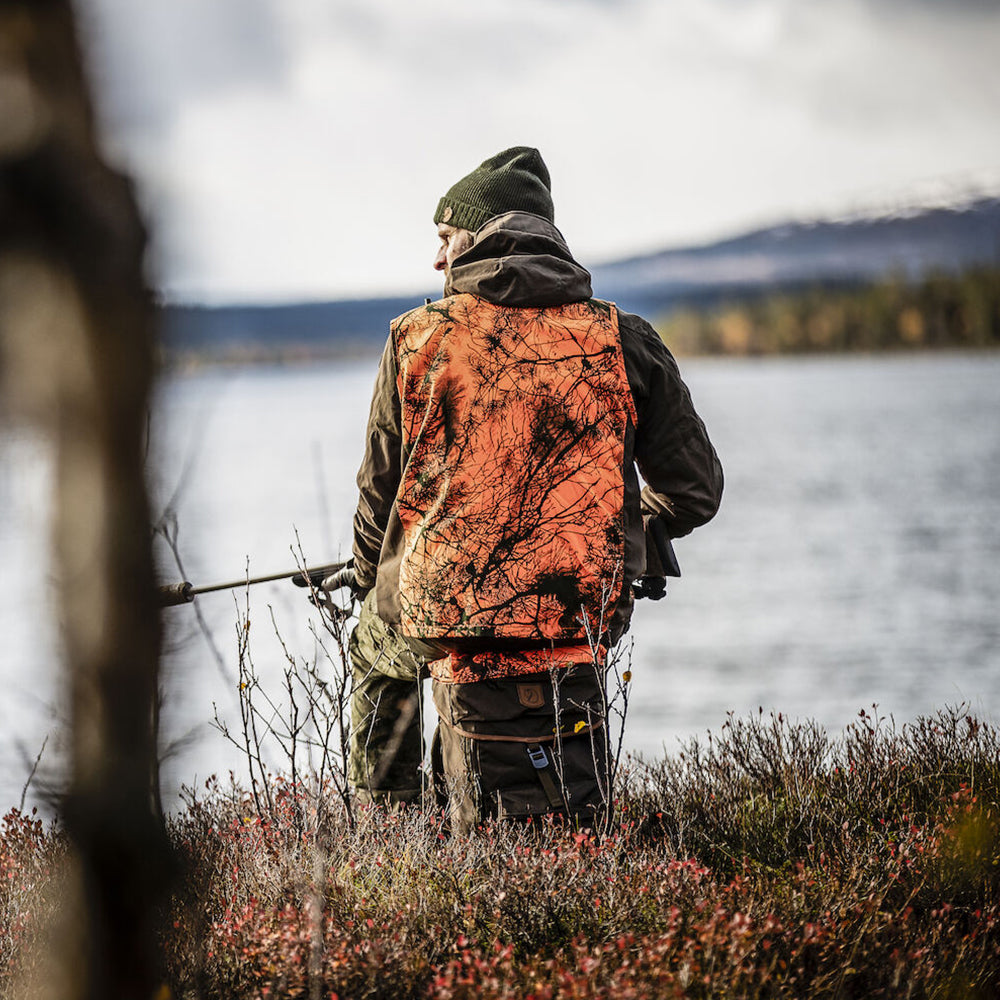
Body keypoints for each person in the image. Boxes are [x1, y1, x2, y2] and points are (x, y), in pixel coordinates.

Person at [344, 146, 722, 833]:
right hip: (577, 617)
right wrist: (631, 531)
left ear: (479, 236)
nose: (437, 259)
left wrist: (367, 573)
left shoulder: (417, 340)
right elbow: (695, 493)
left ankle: (389, 829)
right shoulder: (625, 340)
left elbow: (378, 512)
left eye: (445, 237)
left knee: (375, 639)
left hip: (449, 621)